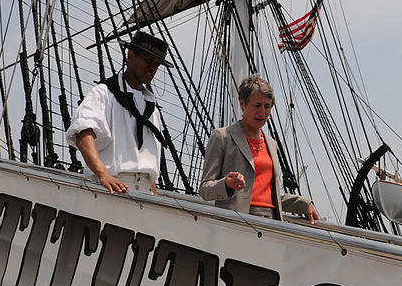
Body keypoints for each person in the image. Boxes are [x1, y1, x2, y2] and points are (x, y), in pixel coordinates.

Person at [199, 75, 320, 224]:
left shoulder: (271, 144)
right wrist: (226, 185)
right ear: (242, 104)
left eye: (267, 106)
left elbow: (270, 196)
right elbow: (205, 189)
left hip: (271, 223)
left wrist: (303, 203)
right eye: (257, 106)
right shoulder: (222, 137)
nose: (262, 113)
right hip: (235, 222)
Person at [66, 31, 171, 194]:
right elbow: (83, 133)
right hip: (110, 187)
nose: (152, 68)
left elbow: (147, 157)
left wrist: (153, 192)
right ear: (131, 55)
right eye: (148, 60)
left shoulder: (151, 106)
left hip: (144, 192)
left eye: (157, 64)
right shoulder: (103, 94)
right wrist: (103, 174)